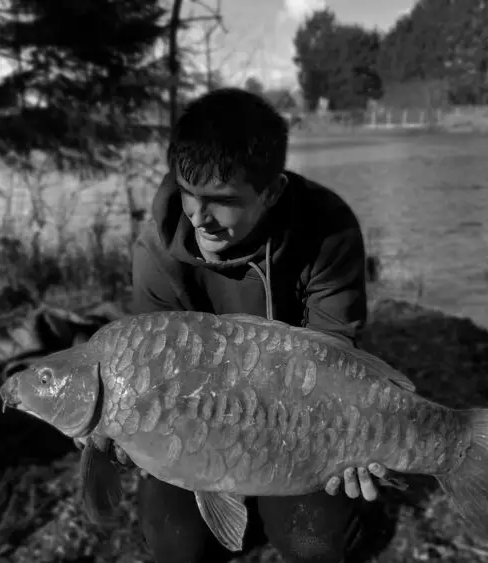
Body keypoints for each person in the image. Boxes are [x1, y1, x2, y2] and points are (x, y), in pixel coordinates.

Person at [85, 88, 390, 563]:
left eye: (221, 201)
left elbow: (335, 361)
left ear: (270, 192)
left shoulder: (329, 229)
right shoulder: (156, 252)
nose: (199, 217)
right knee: (173, 542)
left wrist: (351, 439)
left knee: (316, 541)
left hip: (295, 416)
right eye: (189, 192)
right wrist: (131, 427)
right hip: (193, 417)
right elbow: (149, 371)